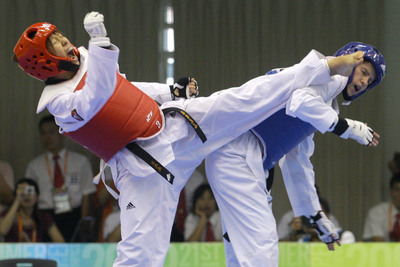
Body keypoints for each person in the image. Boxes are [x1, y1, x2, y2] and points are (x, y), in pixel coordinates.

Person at [13, 11, 364, 266]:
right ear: (45, 63)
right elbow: (99, 97)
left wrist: (171, 90)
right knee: (140, 256)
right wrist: (102, 43)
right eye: (55, 44)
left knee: (244, 98)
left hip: (176, 129)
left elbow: (126, 90)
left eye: (60, 36)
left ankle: (323, 66)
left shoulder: (92, 60)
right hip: (142, 172)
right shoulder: (60, 104)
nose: (65, 42)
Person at [205, 41, 385, 266]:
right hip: (237, 154)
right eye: (364, 72)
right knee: (262, 247)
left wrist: (315, 215)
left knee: (243, 252)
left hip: (244, 160)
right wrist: (346, 127)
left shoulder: (325, 101)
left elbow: (297, 160)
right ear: (349, 59)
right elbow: (299, 101)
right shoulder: (327, 79)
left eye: (369, 82)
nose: (363, 82)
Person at [25, 115, 96, 242]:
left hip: (73, 215)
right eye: (43, 133)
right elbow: (30, 197)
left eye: (52, 132)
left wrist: (83, 222)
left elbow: (86, 194)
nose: (47, 137)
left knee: (73, 254)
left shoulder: (80, 161)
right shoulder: (34, 165)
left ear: (62, 133)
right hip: (45, 216)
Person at [0, 178, 65, 243]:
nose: (26, 195)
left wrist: (32, 245)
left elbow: (60, 242)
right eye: (22, 192)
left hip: (36, 252)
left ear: (37, 197)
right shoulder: (7, 214)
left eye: (29, 191)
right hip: (12, 252)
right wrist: (17, 200)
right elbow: (2, 230)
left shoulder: (43, 216)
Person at [363, 173, 400, 242]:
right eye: (397, 189)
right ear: (391, 191)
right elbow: (378, 241)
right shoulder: (377, 212)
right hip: (384, 251)